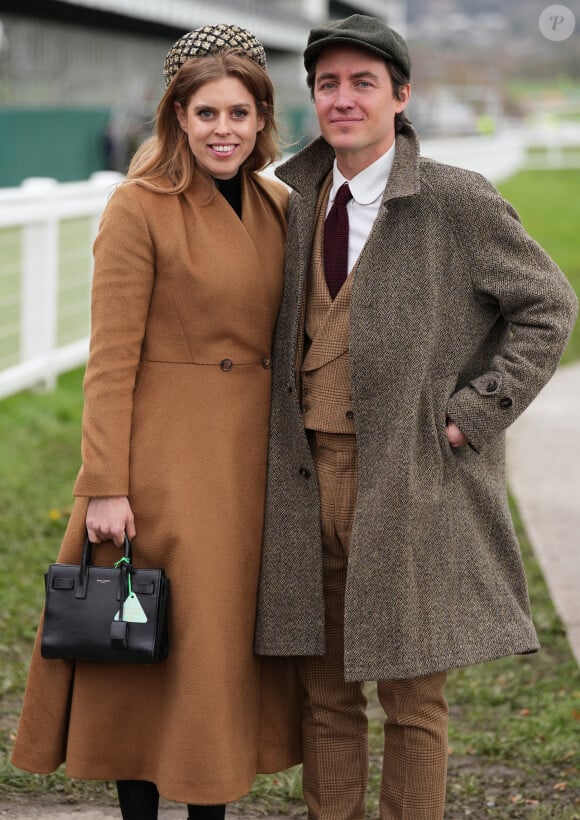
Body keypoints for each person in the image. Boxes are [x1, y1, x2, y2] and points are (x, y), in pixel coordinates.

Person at [254, 13, 578, 820]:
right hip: (302, 483)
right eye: (328, 84)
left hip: (407, 481)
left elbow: (548, 305)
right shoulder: (288, 197)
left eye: (363, 82)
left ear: (400, 96)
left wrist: (476, 412)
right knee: (325, 698)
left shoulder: (456, 201)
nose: (343, 98)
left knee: (412, 699)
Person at [11, 24, 301, 820]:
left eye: (240, 112)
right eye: (206, 112)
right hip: (164, 466)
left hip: (251, 467)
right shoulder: (138, 206)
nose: (224, 129)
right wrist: (105, 485)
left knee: (216, 658)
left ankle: (209, 807)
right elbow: (109, 360)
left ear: (262, 118)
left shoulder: (280, 205)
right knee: (142, 655)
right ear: (175, 116)